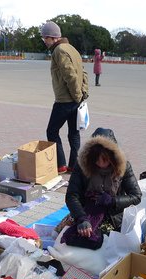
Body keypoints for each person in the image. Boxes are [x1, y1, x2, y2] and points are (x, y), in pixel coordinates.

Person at [61, 128, 142, 249]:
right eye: (96, 159)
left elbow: (136, 196)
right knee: (68, 236)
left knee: (104, 243)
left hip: (113, 216)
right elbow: (72, 195)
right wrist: (81, 218)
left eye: (104, 159)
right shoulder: (82, 165)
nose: (100, 164)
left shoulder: (124, 166)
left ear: (113, 156)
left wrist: (113, 201)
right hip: (86, 211)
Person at [41, 21, 89, 174]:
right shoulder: (71, 48)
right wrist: (83, 94)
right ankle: (74, 166)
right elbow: (84, 73)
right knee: (73, 133)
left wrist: (76, 96)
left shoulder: (59, 50)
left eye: (44, 38)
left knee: (52, 131)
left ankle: (61, 164)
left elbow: (71, 75)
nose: (44, 41)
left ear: (52, 37)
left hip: (65, 101)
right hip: (77, 99)